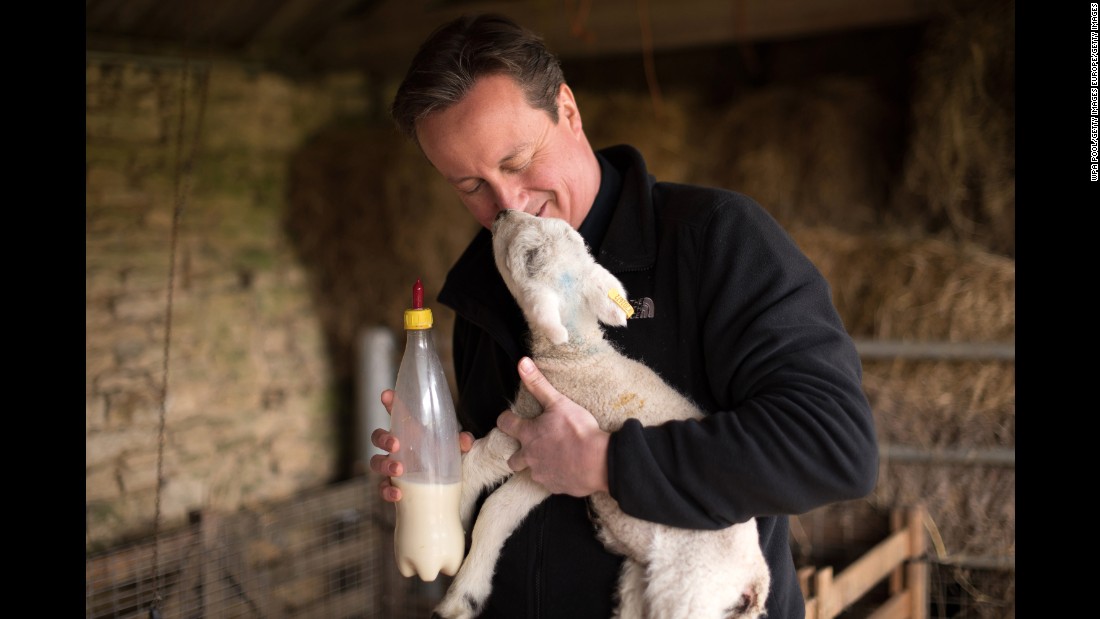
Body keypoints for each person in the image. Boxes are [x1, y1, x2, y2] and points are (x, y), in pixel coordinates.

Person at [370, 13, 879, 619]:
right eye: (470, 185)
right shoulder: (480, 286)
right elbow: (518, 479)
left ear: (568, 110)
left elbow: (835, 447)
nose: (509, 205)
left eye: (517, 161)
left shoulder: (716, 240)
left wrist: (608, 463)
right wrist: (444, 477)